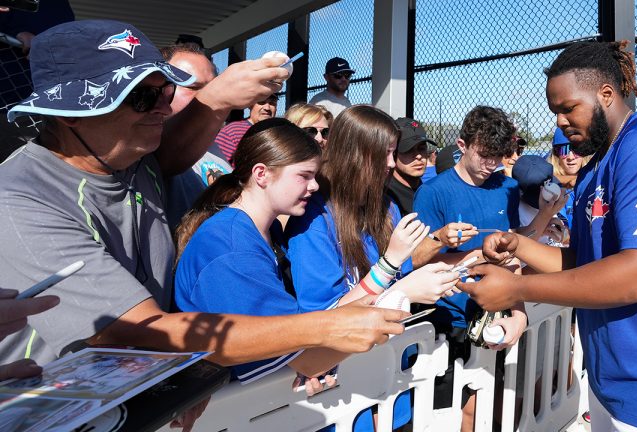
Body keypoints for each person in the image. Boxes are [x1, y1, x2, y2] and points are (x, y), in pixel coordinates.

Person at [0, 18, 407, 382]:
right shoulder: (22, 199)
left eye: (166, 90)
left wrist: (219, 96)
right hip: (50, 407)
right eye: (142, 96)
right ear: (69, 113)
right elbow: (146, 331)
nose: (163, 106)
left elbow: (176, 145)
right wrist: (327, 328)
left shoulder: (131, 160)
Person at [459, 41, 637, 431]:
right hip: (619, 382)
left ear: (606, 94)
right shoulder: (593, 167)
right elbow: (586, 261)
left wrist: (517, 290)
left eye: (568, 109)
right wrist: (520, 245)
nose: (560, 122)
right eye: (555, 112)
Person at [285, 105, 460, 431]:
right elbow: (324, 319)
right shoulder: (312, 218)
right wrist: (394, 270)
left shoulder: (386, 207)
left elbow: (402, 282)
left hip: (389, 381)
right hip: (339, 398)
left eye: (394, 153)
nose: (392, 164)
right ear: (355, 153)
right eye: (386, 153)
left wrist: (431, 278)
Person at [175, 119, 350, 392]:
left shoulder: (263, 231)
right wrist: (388, 308)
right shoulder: (231, 248)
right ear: (262, 174)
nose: (315, 186)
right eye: (304, 176)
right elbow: (306, 360)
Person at [412, 106, 539, 432]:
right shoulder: (432, 192)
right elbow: (415, 264)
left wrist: (519, 313)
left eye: (498, 157)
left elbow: (512, 258)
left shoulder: (507, 188)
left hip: (495, 315)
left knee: (488, 405)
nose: (492, 165)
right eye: (485, 155)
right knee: (444, 415)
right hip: (447, 321)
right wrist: (447, 244)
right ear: (462, 144)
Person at [161, 42, 233, 230]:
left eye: (212, 87)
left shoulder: (210, 143)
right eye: (193, 86)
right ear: (162, 90)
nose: (209, 95)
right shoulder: (149, 145)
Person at [0, 0, 74, 161]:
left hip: (42, 104)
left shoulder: (59, 6)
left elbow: (66, 35)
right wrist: (18, 33)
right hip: (7, 95)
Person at [385, 117, 438, 215]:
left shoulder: (428, 190)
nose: (418, 156)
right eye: (408, 149)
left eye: (422, 148)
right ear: (394, 153)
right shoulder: (386, 195)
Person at [212, 92, 279, 163]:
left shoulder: (280, 132)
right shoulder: (233, 131)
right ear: (250, 105)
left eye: (272, 103)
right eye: (261, 102)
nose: (267, 108)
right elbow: (216, 164)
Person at [547, 128, 591, 230]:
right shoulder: (551, 185)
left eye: (577, 149)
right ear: (557, 154)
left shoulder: (594, 178)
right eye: (564, 150)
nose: (571, 157)